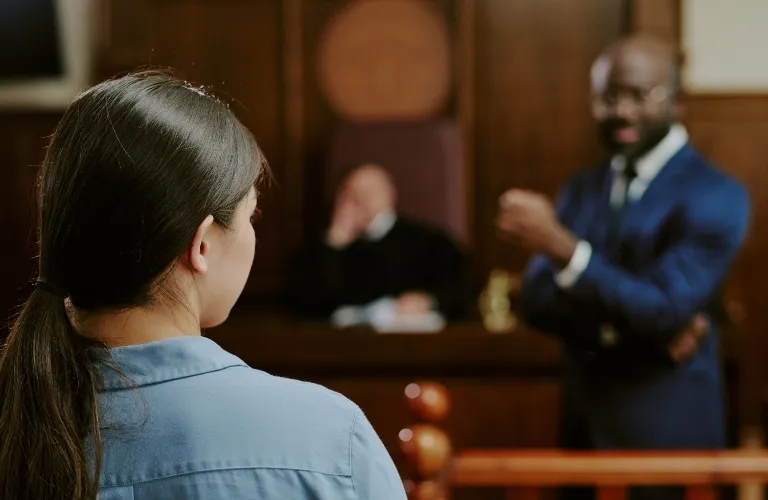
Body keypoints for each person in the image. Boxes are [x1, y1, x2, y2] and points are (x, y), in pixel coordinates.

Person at [0, 72, 407, 500]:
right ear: (202, 244)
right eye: (252, 214)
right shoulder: (330, 443)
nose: (253, 233)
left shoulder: (18, 424)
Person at [496, 35, 750, 499]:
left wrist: (564, 248)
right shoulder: (582, 188)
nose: (623, 111)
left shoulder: (717, 195)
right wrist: (635, 330)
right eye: (608, 96)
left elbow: (664, 308)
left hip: (669, 439)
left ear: (677, 100)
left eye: (639, 95)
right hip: (584, 431)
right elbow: (537, 301)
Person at [288, 163, 469, 328]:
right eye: (350, 194)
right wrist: (334, 243)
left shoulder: (429, 240)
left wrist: (428, 300)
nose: (359, 201)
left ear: (390, 195)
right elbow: (307, 301)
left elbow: (461, 285)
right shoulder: (326, 248)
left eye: (368, 192)